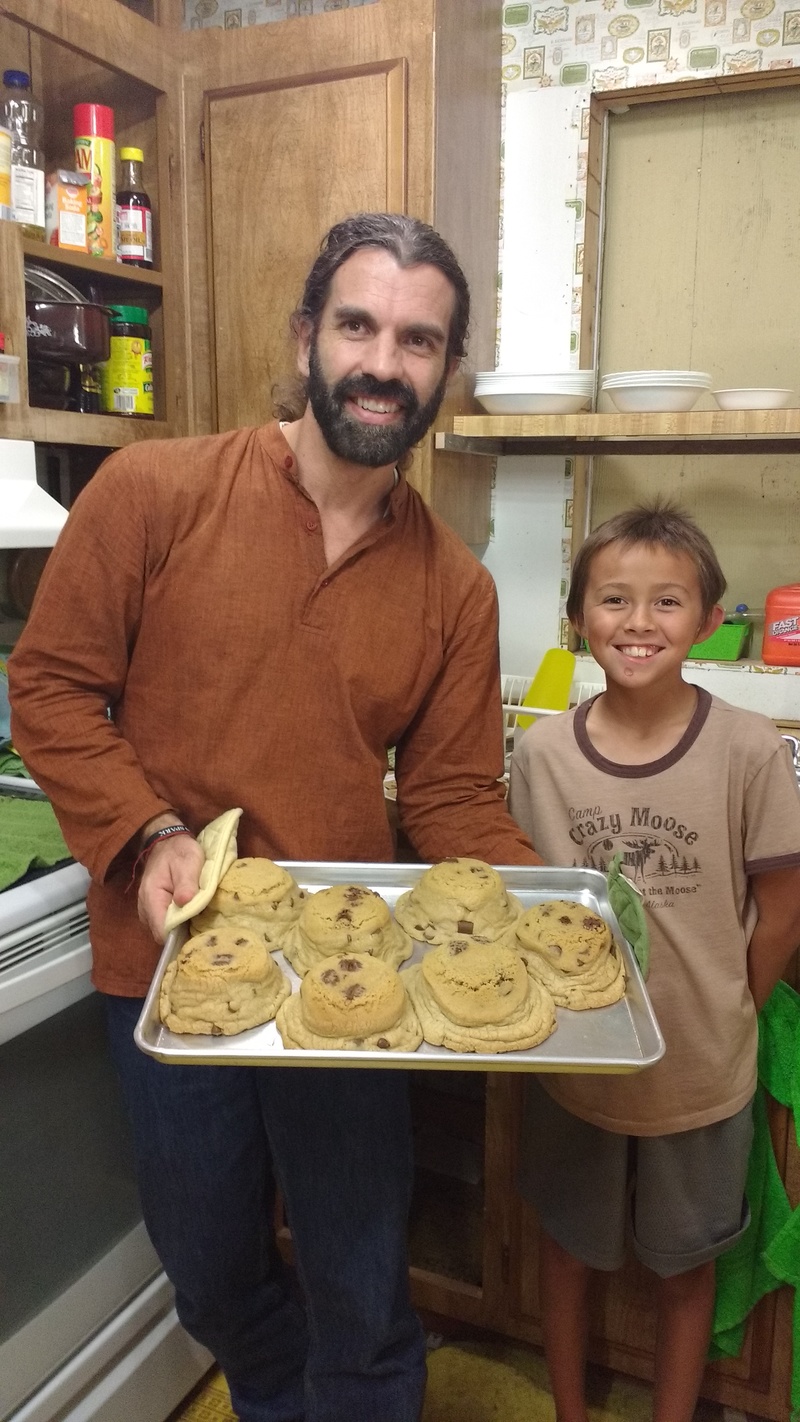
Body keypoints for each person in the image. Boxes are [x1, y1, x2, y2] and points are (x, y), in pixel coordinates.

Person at [9, 212, 540, 1422]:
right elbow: (46, 685)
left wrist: (553, 921)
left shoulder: (455, 586)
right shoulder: (153, 491)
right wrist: (148, 834)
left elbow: (454, 793)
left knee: (359, 1280)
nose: (381, 361)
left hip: (348, 972)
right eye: (356, 324)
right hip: (163, 958)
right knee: (208, 1264)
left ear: (442, 375)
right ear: (305, 336)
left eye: (417, 340)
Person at [507, 503, 800, 1422]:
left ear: (710, 619)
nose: (639, 622)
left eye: (667, 601)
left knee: (686, 1265)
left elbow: (783, 908)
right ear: (578, 618)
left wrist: (728, 1014)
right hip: (574, 1065)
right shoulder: (543, 752)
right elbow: (525, 901)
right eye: (614, 600)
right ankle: (569, 1411)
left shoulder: (751, 752)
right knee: (566, 1249)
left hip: (700, 1073)